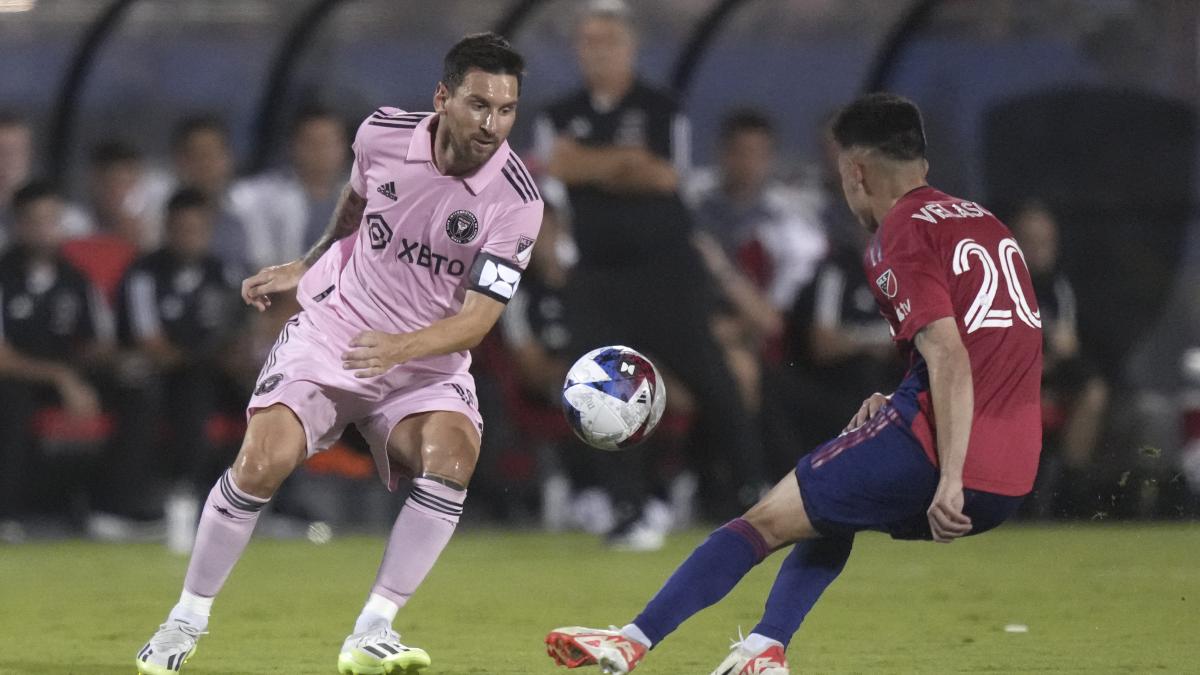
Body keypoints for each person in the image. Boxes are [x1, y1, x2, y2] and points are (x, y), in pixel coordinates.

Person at [545, 93, 1044, 675]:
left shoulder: (899, 232)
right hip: (1013, 467)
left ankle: (631, 641)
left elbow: (952, 355)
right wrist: (904, 399)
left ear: (855, 170)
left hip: (941, 449)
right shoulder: (985, 223)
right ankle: (763, 650)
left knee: (762, 521)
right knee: (833, 505)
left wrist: (952, 476)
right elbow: (998, 348)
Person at [134, 33, 541, 675]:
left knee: (454, 457)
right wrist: (307, 263)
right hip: (335, 330)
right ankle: (182, 621)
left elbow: (477, 323)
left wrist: (401, 349)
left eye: (507, 109)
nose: (493, 124)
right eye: (478, 104)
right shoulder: (381, 134)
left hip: (422, 358)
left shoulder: (516, 200)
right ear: (443, 98)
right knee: (261, 463)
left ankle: (372, 630)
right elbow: (353, 207)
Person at [536, 0, 764, 543]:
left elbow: (664, 178)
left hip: (666, 271)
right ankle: (625, 506)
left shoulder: (662, 106)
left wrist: (590, 165)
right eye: (589, 42)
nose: (599, 52)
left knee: (711, 375)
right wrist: (623, 163)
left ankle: (754, 489)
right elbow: (557, 173)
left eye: (609, 42)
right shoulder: (557, 113)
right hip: (596, 274)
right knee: (598, 387)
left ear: (630, 48)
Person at [114, 188, 243, 502]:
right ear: (167, 229)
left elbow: (241, 331)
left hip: (215, 371)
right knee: (191, 391)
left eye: (197, 229)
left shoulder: (222, 273)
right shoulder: (144, 273)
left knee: (274, 396)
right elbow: (152, 345)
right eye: (182, 229)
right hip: (165, 375)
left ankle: (271, 499)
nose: (190, 237)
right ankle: (180, 492)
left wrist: (236, 357)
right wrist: (207, 358)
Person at [0, 181, 109, 540]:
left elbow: (98, 342)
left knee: (134, 389)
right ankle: (8, 513)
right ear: (17, 225)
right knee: (11, 402)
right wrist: (62, 378)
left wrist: (90, 372)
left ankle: (114, 507)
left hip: (66, 376)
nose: (44, 230)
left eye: (51, 220)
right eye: (34, 221)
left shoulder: (75, 279)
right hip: (18, 377)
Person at [1011, 200, 1108, 516]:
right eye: (1030, 241)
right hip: (1002, 384)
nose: (1039, 250)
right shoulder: (997, 283)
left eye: (1046, 242)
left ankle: (1068, 493)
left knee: (1093, 392)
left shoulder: (1059, 287)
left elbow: (1070, 347)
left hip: (1048, 378)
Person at [229, 105, 351, 270]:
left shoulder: (366, 197)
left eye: (327, 143)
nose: (319, 152)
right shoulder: (257, 194)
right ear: (292, 146)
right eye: (312, 143)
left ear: (343, 148)